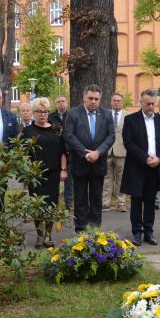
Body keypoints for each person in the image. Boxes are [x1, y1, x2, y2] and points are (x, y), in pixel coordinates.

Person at [120, 90, 160, 246]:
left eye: (153, 103)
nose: (151, 106)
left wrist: (159, 158)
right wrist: (145, 158)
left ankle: (149, 232)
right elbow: (128, 142)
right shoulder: (131, 120)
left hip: (156, 167)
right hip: (137, 166)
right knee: (136, 201)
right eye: (148, 103)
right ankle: (136, 232)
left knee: (150, 202)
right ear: (141, 102)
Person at [63, 84, 115, 232]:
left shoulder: (106, 114)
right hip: (80, 161)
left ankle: (95, 227)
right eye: (90, 98)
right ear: (84, 98)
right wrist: (85, 153)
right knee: (80, 196)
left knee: (96, 196)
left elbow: (111, 136)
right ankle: (80, 227)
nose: (93, 102)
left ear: (100, 100)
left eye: (96, 99)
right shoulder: (73, 113)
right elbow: (68, 135)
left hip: (98, 162)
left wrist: (98, 152)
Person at [21, 97, 67, 248]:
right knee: (38, 206)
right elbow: (23, 154)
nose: (43, 115)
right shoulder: (28, 131)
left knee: (51, 205)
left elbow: (63, 152)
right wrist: (27, 172)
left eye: (46, 111)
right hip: (36, 174)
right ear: (33, 113)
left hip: (53, 173)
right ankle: (39, 236)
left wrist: (63, 170)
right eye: (39, 111)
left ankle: (48, 235)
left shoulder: (56, 129)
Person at [102, 92, 127, 212]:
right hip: (107, 151)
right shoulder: (105, 115)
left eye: (119, 100)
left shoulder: (128, 116)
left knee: (121, 178)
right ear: (111, 102)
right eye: (114, 100)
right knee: (107, 178)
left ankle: (121, 202)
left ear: (122, 102)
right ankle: (105, 203)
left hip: (122, 151)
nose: (116, 102)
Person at [49, 95, 73, 213]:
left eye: (63, 101)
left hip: (70, 152)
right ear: (55, 104)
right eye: (58, 102)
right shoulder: (50, 117)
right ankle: (54, 203)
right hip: (55, 152)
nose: (61, 103)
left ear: (67, 103)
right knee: (54, 180)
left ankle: (69, 203)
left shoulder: (72, 116)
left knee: (69, 180)